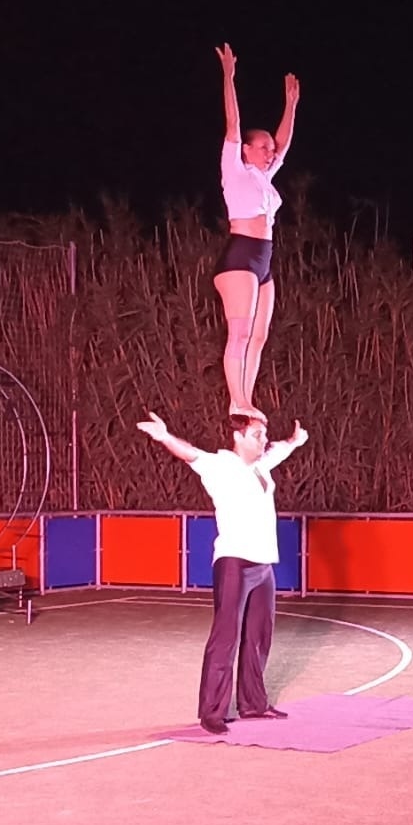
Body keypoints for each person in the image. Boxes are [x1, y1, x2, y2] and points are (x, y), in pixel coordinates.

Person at [137, 408, 310, 733]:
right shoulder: (221, 466)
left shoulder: (261, 466)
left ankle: (253, 704)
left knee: (258, 637)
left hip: (263, 565)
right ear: (238, 437)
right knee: (225, 637)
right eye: (257, 435)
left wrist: (294, 440)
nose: (263, 440)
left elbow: (279, 450)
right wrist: (164, 436)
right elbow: (191, 454)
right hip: (234, 563)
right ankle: (212, 712)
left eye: (264, 434)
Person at [213, 43, 300, 419]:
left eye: (269, 148)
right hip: (241, 257)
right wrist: (228, 77)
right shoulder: (235, 169)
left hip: (263, 260)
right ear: (245, 150)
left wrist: (291, 105)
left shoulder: (265, 178)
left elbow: (284, 145)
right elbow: (232, 124)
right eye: (262, 147)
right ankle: (237, 399)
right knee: (241, 333)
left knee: (259, 337)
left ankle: (245, 402)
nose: (269, 152)